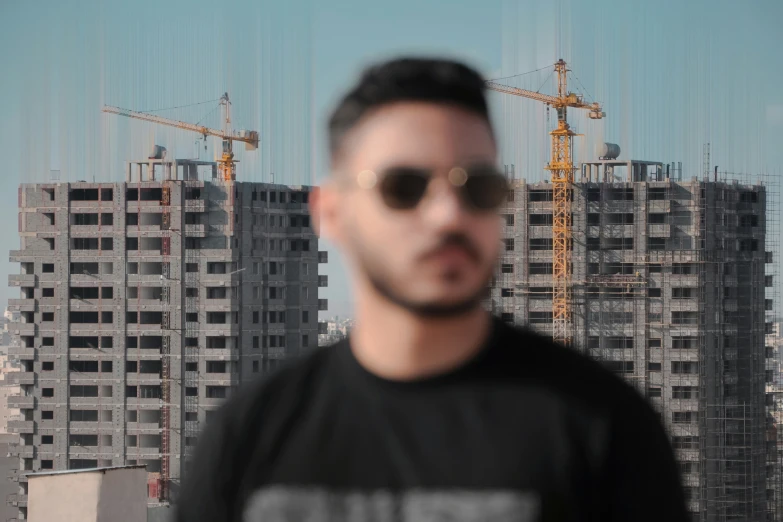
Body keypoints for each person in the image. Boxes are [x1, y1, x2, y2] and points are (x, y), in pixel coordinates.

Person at [175, 57, 689, 522]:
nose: (447, 215)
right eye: (404, 187)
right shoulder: (251, 434)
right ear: (332, 211)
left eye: (478, 187)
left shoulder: (603, 427)